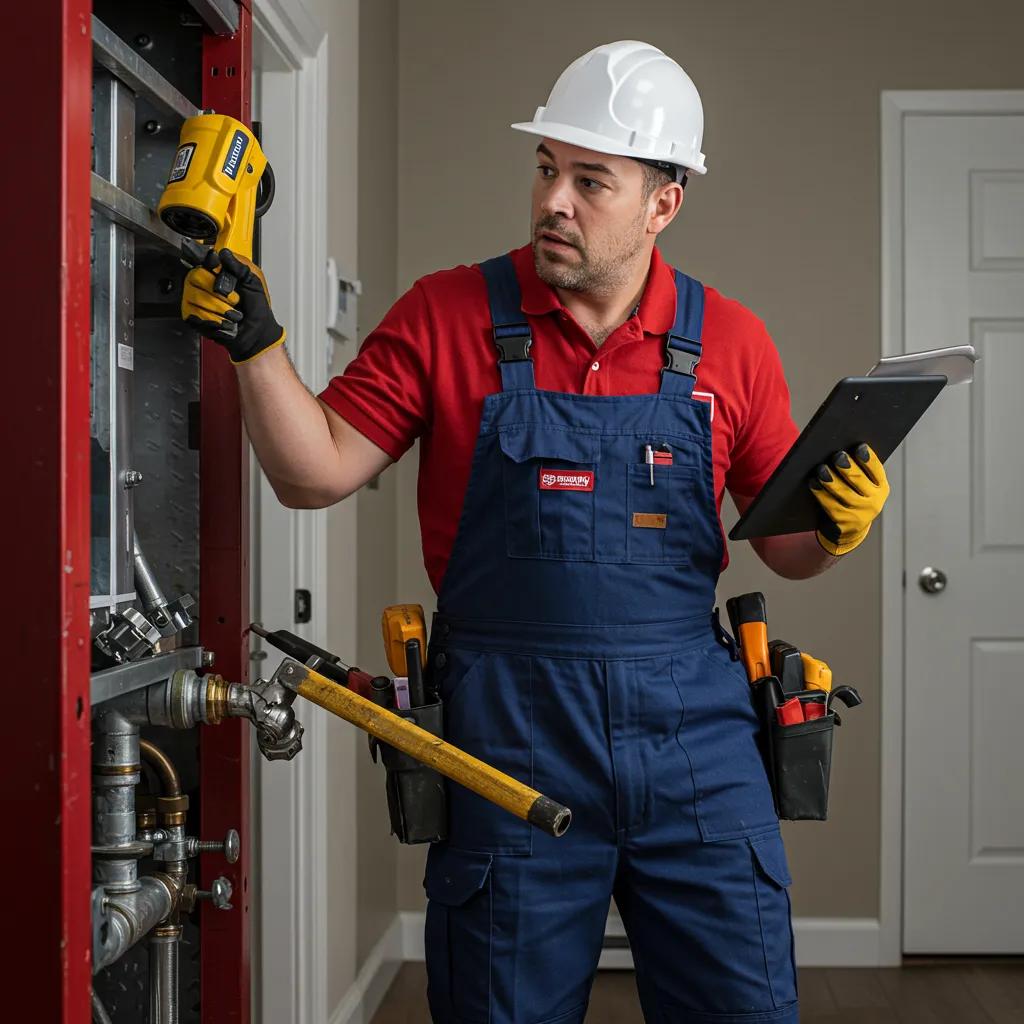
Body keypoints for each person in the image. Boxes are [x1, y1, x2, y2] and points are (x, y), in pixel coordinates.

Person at [182, 40, 888, 1024]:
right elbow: (312, 475)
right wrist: (256, 347)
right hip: (506, 734)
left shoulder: (731, 341)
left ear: (662, 201)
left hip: (695, 737)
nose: (554, 199)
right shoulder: (444, 313)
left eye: (590, 180)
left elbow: (786, 551)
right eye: (546, 168)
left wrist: (836, 526)